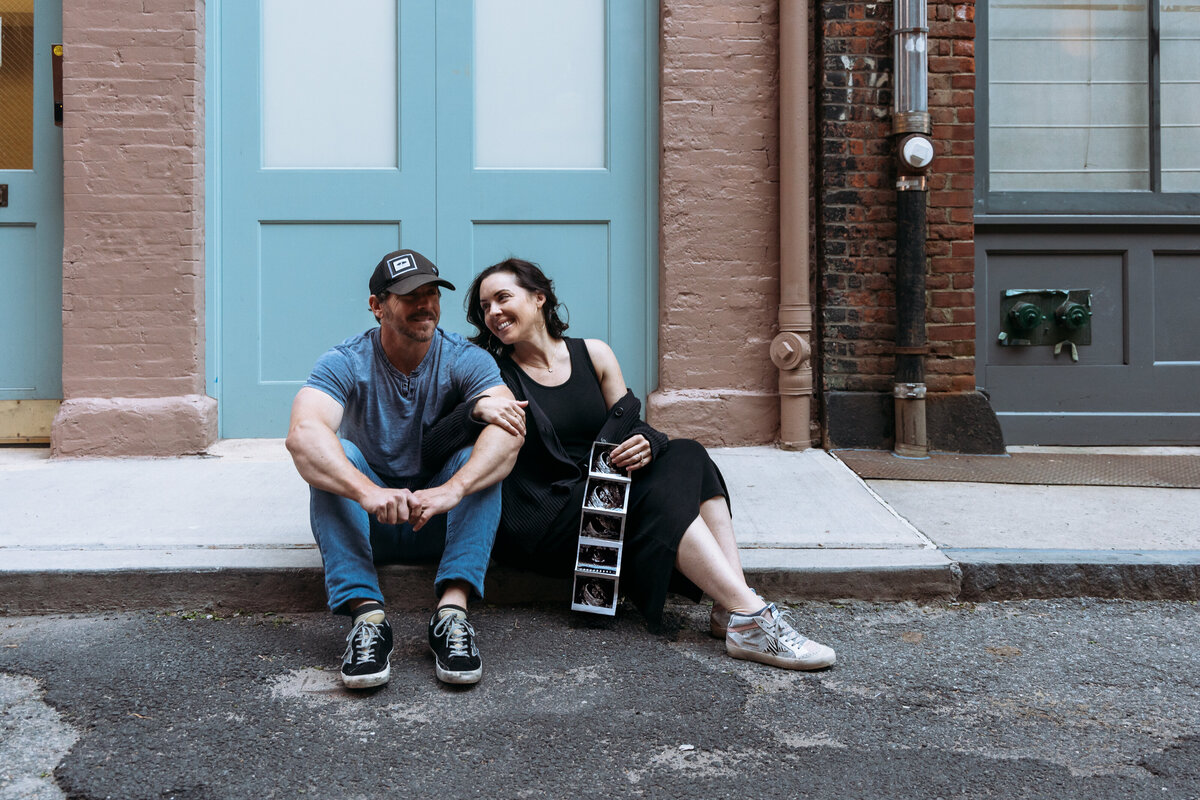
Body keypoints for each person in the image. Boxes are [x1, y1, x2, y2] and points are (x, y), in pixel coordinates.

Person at [454, 257, 836, 671]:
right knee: (652, 493)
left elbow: (634, 426)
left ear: (539, 298)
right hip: (547, 519)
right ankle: (751, 613)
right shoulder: (492, 371)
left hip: (604, 497)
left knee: (687, 452)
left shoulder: (593, 354)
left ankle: (732, 609)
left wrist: (647, 443)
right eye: (485, 306)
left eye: (502, 298)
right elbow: (442, 434)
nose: (493, 312)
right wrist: (478, 410)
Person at [286, 249, 526, 689]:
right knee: (337, 458)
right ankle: (368, 618)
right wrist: (365, 491)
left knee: (477, 462)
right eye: (409, 295)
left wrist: (454, 489)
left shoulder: (463, 358)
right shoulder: (345, 361)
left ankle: (451, 616)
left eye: (432, 292)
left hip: (438, 519)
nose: (425, 304)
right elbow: (303, 434)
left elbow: (510, 431)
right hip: (370, 521)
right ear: (377, 306)